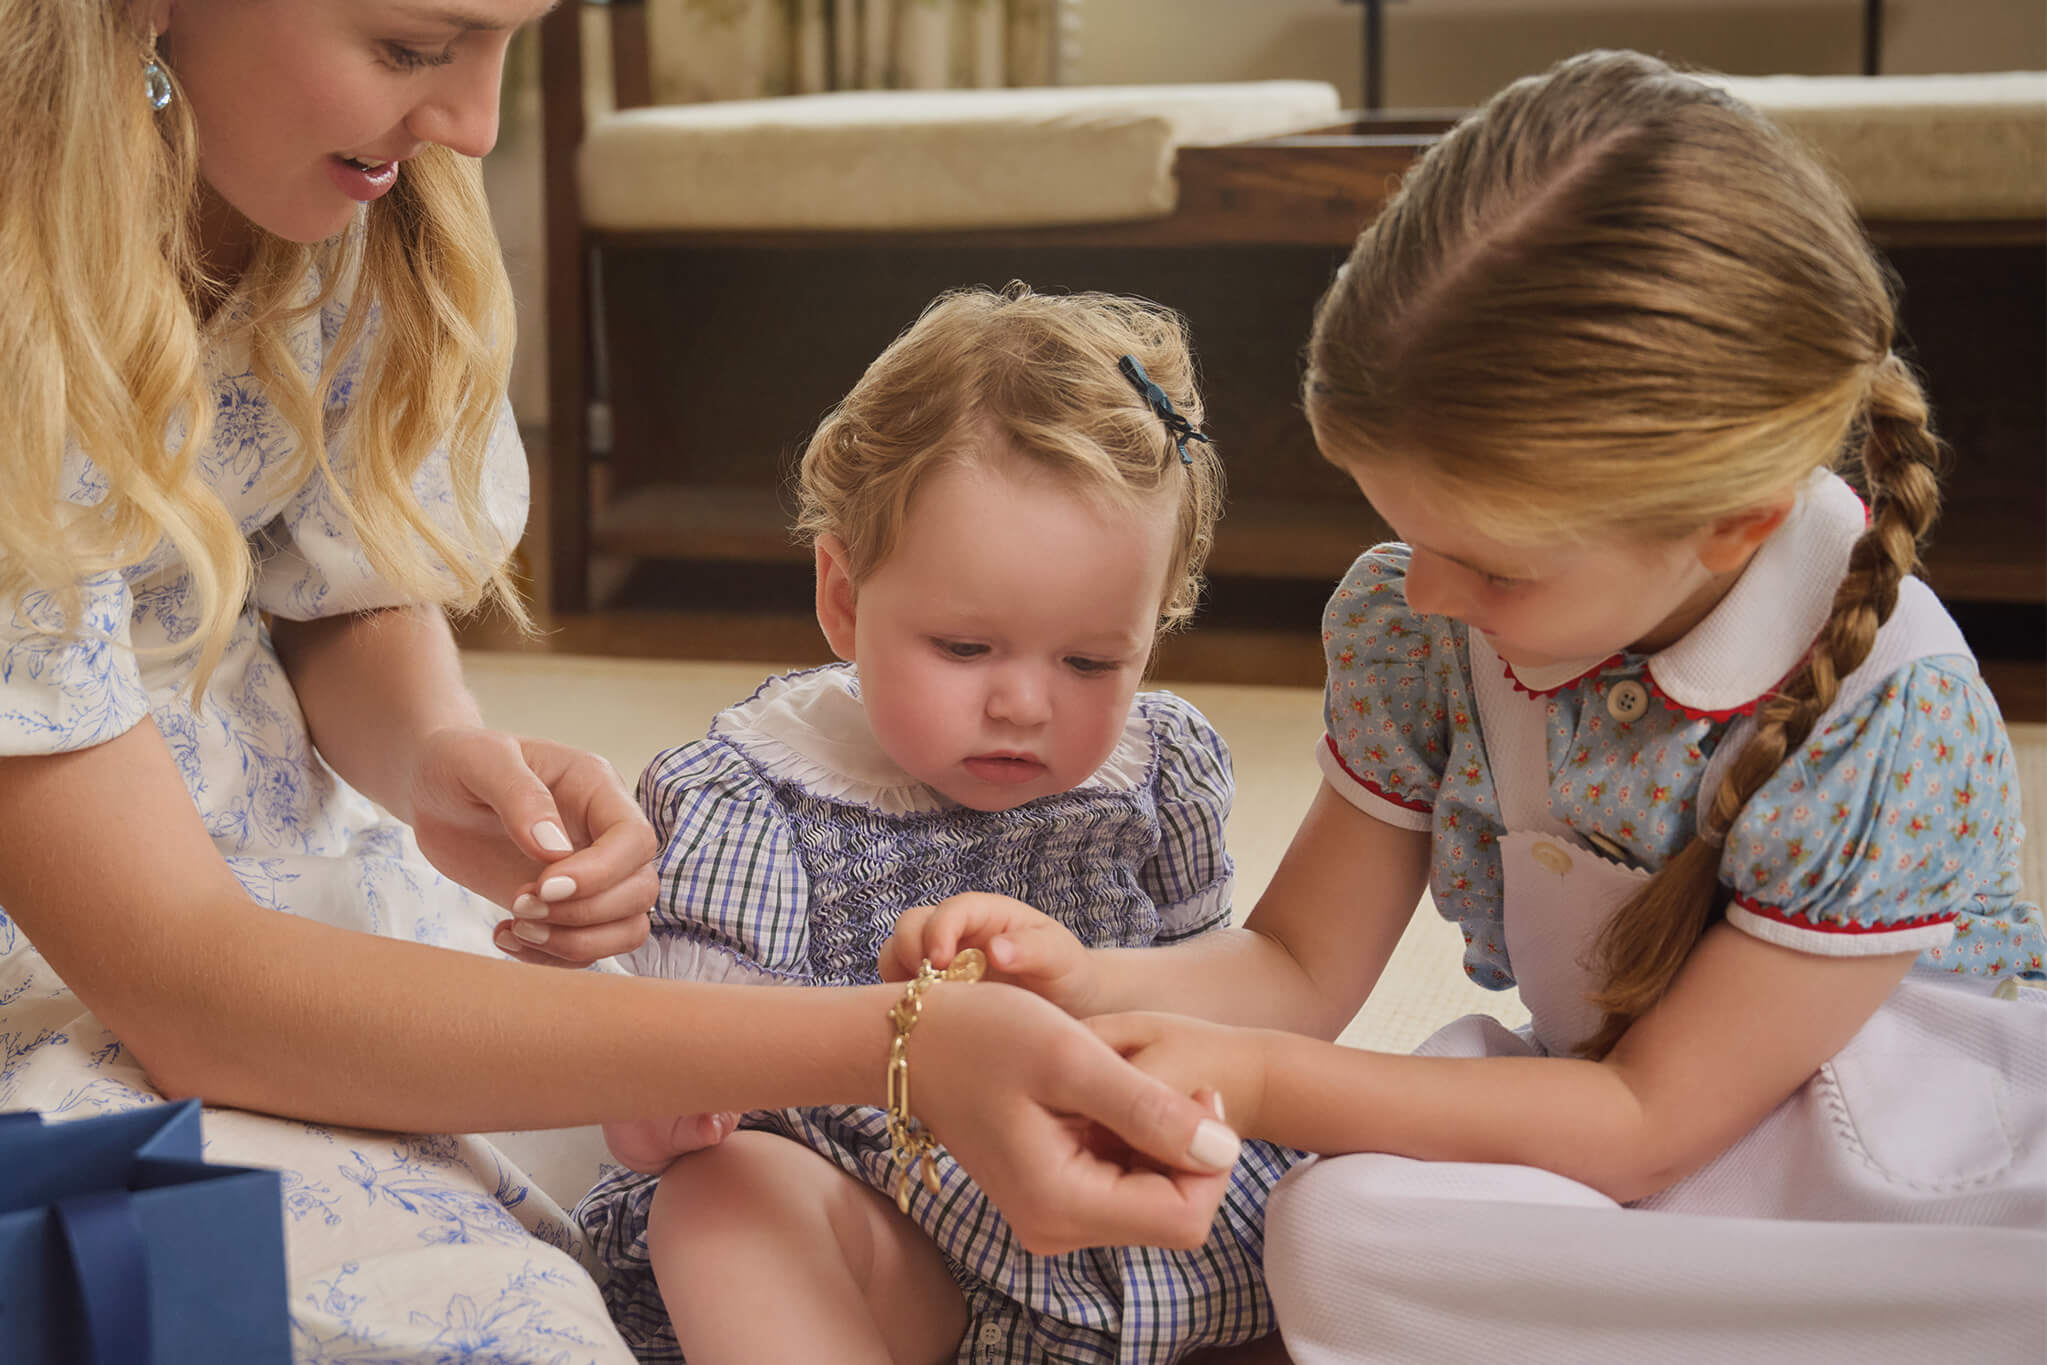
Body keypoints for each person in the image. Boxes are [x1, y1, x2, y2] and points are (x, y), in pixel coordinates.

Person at [0, 5, 1242, 1360]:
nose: (476, 128)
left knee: (615, 1157)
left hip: (277, 888)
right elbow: (185, 983)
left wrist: (431, 750)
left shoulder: (332, 197)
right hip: (109, 955)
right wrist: (897, 1045)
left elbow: (322, 584)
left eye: (510, 44)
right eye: (414, 48)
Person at [891, 51, 2047, 1363]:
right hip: (1613, 1144)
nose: (1429, 591)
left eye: (1494, 566)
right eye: (1411, 534)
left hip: (1897, 1173)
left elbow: (1645, 1122)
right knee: (1335, 1231)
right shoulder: (1427, 625)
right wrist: (1087, 980)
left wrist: (1256, 1081)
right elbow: (1298, 967)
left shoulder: (1891, 717)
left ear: (1732, 524)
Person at [572, 285, 1302, 1365]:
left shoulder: (1160, 769)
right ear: (843, 599)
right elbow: (681, 1060)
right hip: (895, 1245)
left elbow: (1219, 990)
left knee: (1349, 1212)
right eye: (965, 648)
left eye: (1091, 660)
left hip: (1131, 1230)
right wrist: (662, 1115)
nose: (1023, 703)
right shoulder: (752, 797)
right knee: (723, 1200)